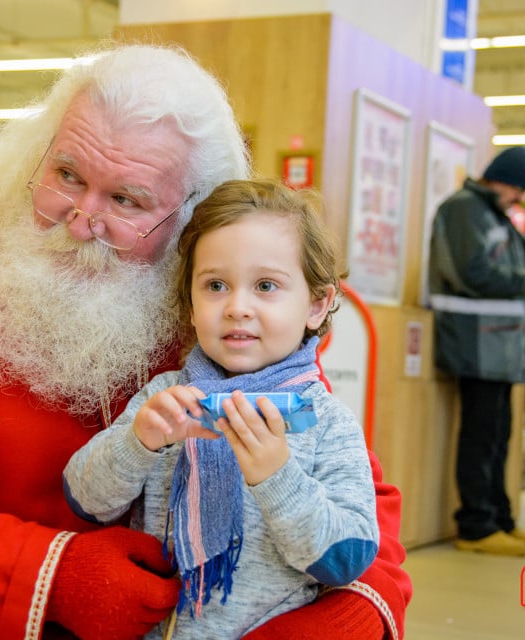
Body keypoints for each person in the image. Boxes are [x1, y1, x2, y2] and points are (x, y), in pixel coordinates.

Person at [0, 44, 411, 640]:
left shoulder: (220, 316)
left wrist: (342, 618)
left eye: (126, 199)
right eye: (67, 174)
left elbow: (357, 504)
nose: (80, 218)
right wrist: (58, 577)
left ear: (190, 219)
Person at [63, 179, 379, 639]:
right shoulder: (165, 397)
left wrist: (278, 478)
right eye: (215, 285)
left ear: (317, 303)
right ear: (189, 304)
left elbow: (346, 557)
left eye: (266, 285)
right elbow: (84, 499)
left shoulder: (325, 420)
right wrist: (137, 443)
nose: (237, 307)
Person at [427, 145, 525, 556]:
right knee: (482, 435)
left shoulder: (490, 212)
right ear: (503, 180)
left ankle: (499, 517)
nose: (521, 199)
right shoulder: (465, 209)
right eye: (519, 190)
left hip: (496, 345)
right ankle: (476, 526)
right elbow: (471, 272)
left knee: (499, 435)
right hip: (475, 343)